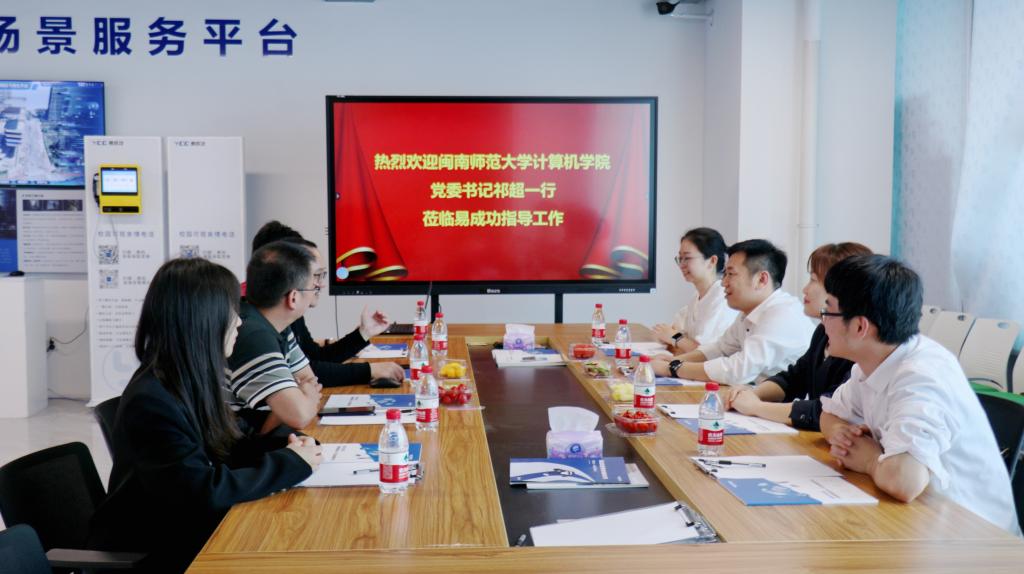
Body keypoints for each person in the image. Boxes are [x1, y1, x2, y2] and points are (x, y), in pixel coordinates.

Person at [87, 258, 322, 573]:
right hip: (160, 550)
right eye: (231, 312)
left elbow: (227, 443)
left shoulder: (185, 379)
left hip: (190, 531)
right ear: (203, 321)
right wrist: (288, 464)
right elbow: (201, 492)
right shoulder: (152, 401)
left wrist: (289, 447)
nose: (239, 323)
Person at [818, 255, 1019, 534]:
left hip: (973, 536)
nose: (822, 322)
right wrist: (842, 434)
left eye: (828, 311)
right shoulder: (875, 360)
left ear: (860, 327)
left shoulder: (922, 376)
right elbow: (828, 416)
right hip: (922, 520)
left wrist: (868, 460)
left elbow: (905, 480)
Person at [726, 242, 872, 430]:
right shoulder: (823, 332)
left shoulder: (858, 347)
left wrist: (756, 407)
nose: (805, 289)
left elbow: (824, 410)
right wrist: (754, 393)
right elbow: (794, 378)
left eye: (813, 280)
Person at [250, 221, 404, 386]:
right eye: (315, 274)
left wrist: (363, 334)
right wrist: (369, 371)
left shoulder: (285, 316)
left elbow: (313, 359)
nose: (320, 284)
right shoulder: (255, 326)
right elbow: (306, 375)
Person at [652, 239, 815, 384]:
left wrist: (672, 368)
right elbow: (720, 349)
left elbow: (738, 370)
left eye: (731, 274)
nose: (723, 282)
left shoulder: (782, 314)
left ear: (761, 279)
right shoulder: (749, 312)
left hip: (783, 405)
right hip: (754, 395)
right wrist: (674, 361)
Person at [227, 240, 325, 433]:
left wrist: (298, 398)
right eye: (313, 285)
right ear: (293, 298)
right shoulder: (252, 335)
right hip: (237, 446)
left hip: (259, 435)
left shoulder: (276, 323)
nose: (318, 287)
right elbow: (299, 415)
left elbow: (309, 380)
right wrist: (296, 399)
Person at [652, 227, 738, 354]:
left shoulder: (723, 299)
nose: (681, 265)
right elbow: (677, 339)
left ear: (712, 261)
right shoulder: (697, 297)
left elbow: (706, 353)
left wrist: (673, 337)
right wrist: (673, 338)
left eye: (687, 258)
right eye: (680, 258)